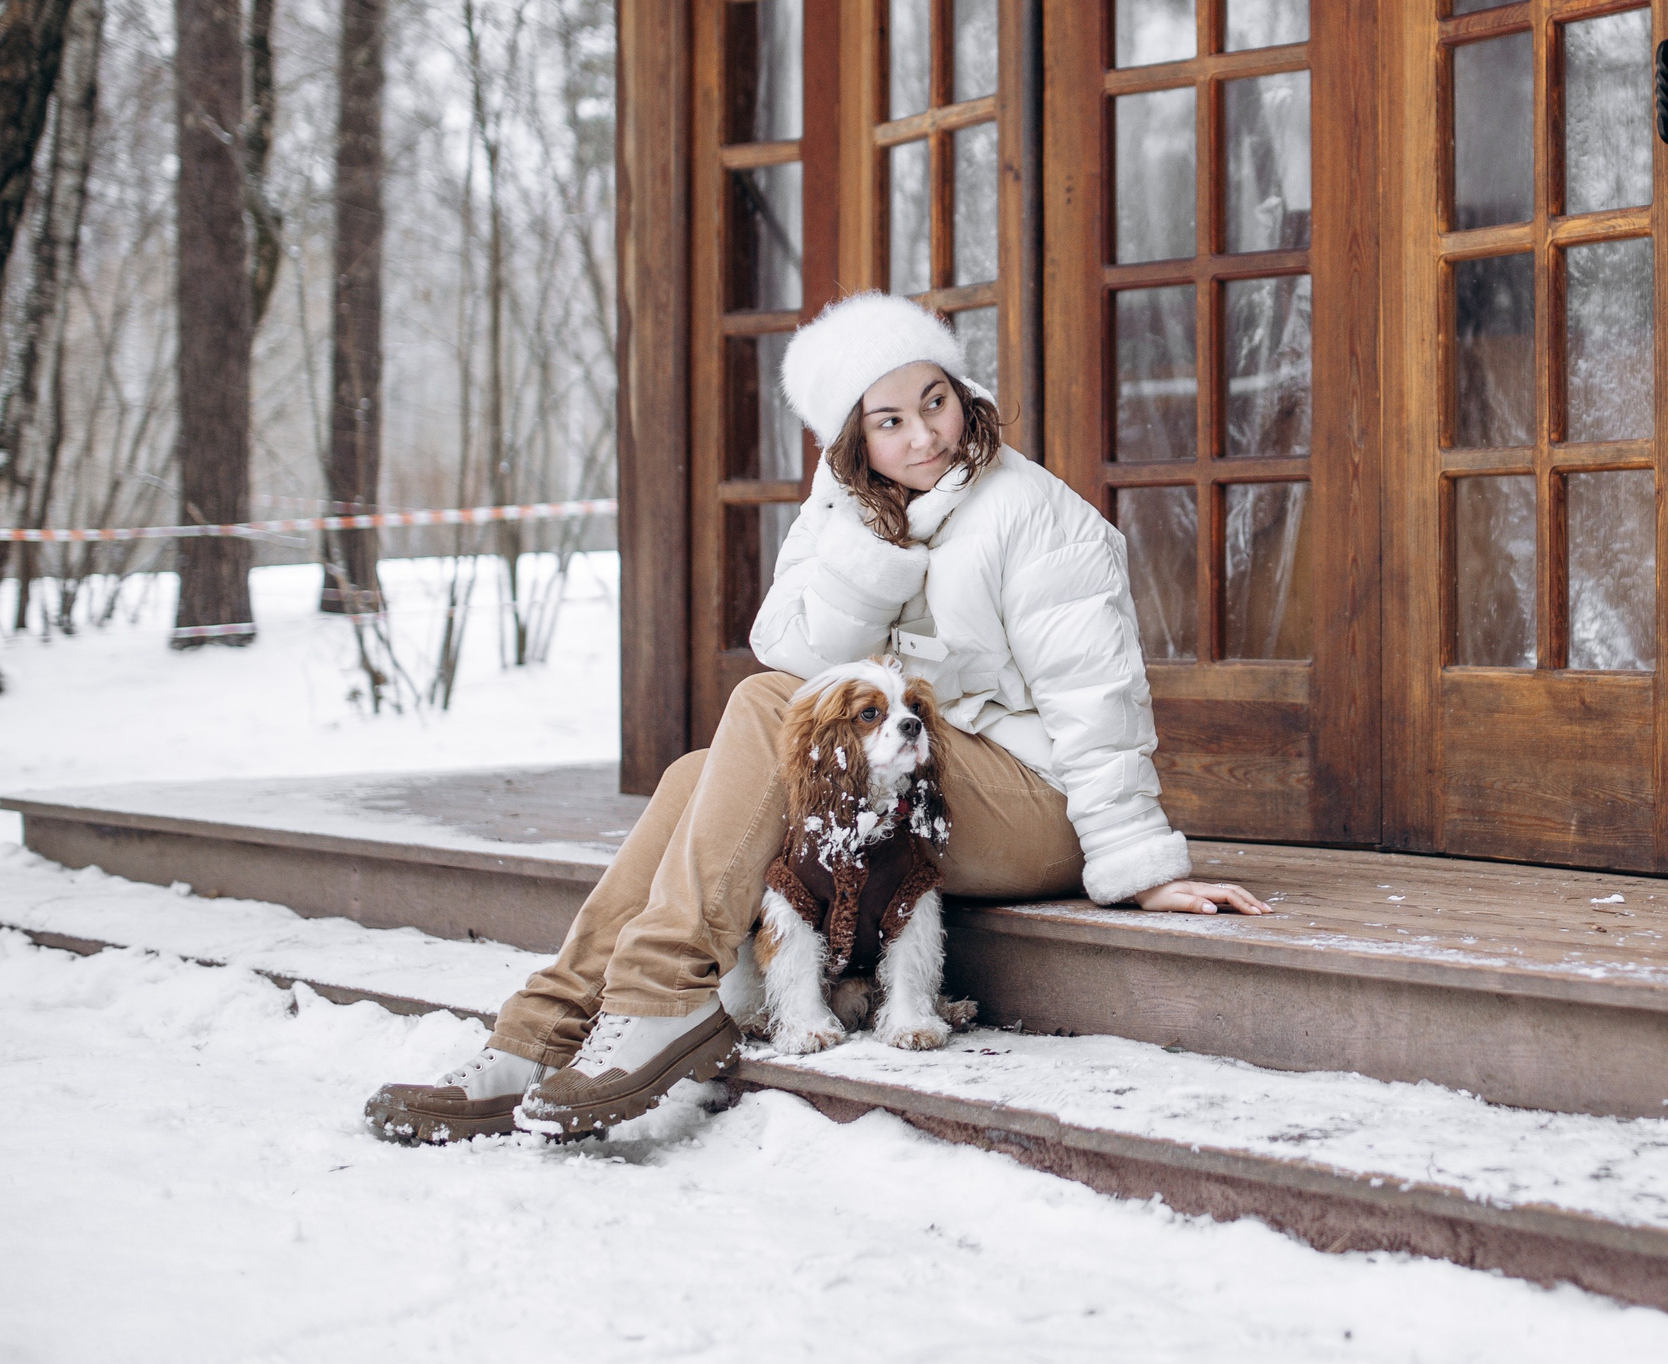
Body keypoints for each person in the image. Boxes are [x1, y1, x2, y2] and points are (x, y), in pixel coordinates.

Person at [367, 294, 1266, 1145]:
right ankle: (543, 1030)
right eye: (890, 422)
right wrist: (875, 550)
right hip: (902, 787)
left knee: (766, 709)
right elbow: (789, 649)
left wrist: (1138, 863)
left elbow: (1095, 698)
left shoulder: (1031, 511)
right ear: (854, 440)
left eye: (936, 400)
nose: (926, 435)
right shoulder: (844, 509)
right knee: (694, 774)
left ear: (961, 392)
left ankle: (661, 995)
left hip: (1036, 807)